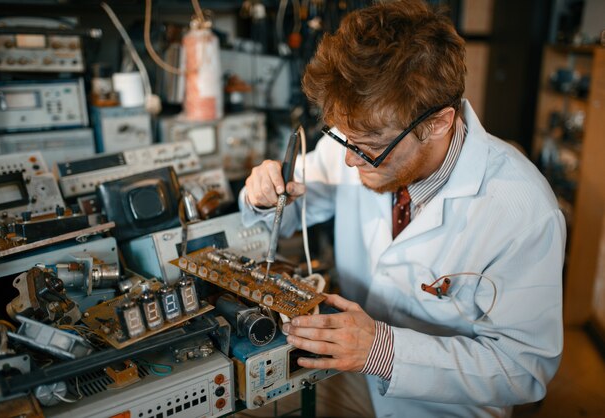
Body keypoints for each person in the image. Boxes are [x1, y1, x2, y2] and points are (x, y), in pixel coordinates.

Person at [239, 1, 565, 416]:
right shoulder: (361, 133)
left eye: (370, 148)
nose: (349, 160)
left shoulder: (522, 211)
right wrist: (261, 194)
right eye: (344, 137)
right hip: (347, 376)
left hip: (437, 406)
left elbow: (525, 370)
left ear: (438, 123)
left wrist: (383, 351)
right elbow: (279, 214)